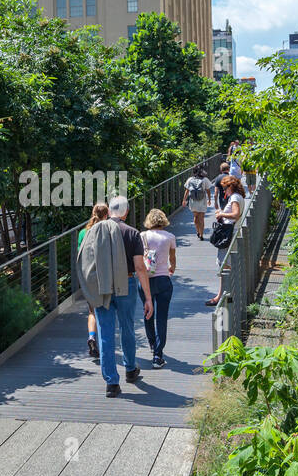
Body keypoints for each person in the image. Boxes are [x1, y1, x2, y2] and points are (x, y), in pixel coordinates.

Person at [77, 194, 153, 397]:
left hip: (102, 286)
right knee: (127, 328)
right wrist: (148, 297)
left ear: (109, 211)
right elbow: (139, 267)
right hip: (126, 284)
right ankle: (130, 369)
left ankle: (111, 382)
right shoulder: (132, 233)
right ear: (126, 212)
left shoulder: (93, 232)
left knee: (105, 333)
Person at [138, 208, 177, 367]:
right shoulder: (170, 237)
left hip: (146, 280)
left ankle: (152, 344)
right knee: (162, 317)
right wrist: (171, 268)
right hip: (163, 279)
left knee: (148, 312)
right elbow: (172, 258)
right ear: (163, 220)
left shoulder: (142, 236)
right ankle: (158, 355)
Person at [205, 175, 246, 307]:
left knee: (225, 265)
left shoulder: (234, 197)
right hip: (232, 232)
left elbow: (235, 214)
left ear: (231, 186)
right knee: (226, 264)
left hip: (229, 234)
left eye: (225, 188)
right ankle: (223, 294)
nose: (224, 191)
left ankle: (224, 296)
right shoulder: (238, 197)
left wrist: (221, 214)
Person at [76, 202, 110, 359]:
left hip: (87, 275)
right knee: (104, 308)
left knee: (92, 310)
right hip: (103, 275)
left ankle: (91, 337)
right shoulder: (107, 230)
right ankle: (104, 342)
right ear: (106, 215)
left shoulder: (83, 232)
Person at [183, 165, 214, 238]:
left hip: (193, 201)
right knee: (201, 218)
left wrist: (184, 200)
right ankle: (201, 234)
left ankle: (197, 231)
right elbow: (208, 190)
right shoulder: (205, 179)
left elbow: (187, 190)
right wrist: (209, 200)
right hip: (202, 200)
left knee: (195, 216)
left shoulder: (190, 179)